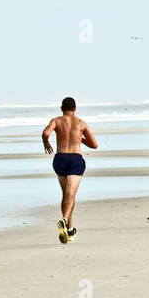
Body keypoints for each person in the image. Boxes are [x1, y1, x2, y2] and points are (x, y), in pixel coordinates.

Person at [42, 97, 98, 244]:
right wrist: (79, 137)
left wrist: (46, 143)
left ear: (61, 108)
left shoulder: (56, 120)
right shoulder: (80, 123)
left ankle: (69, 229)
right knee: (70, 194)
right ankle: (65, 219)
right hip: (75, 160)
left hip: (59, 159)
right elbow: (94, 145)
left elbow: (45, 133)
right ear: (75, 109)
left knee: (66, 195)